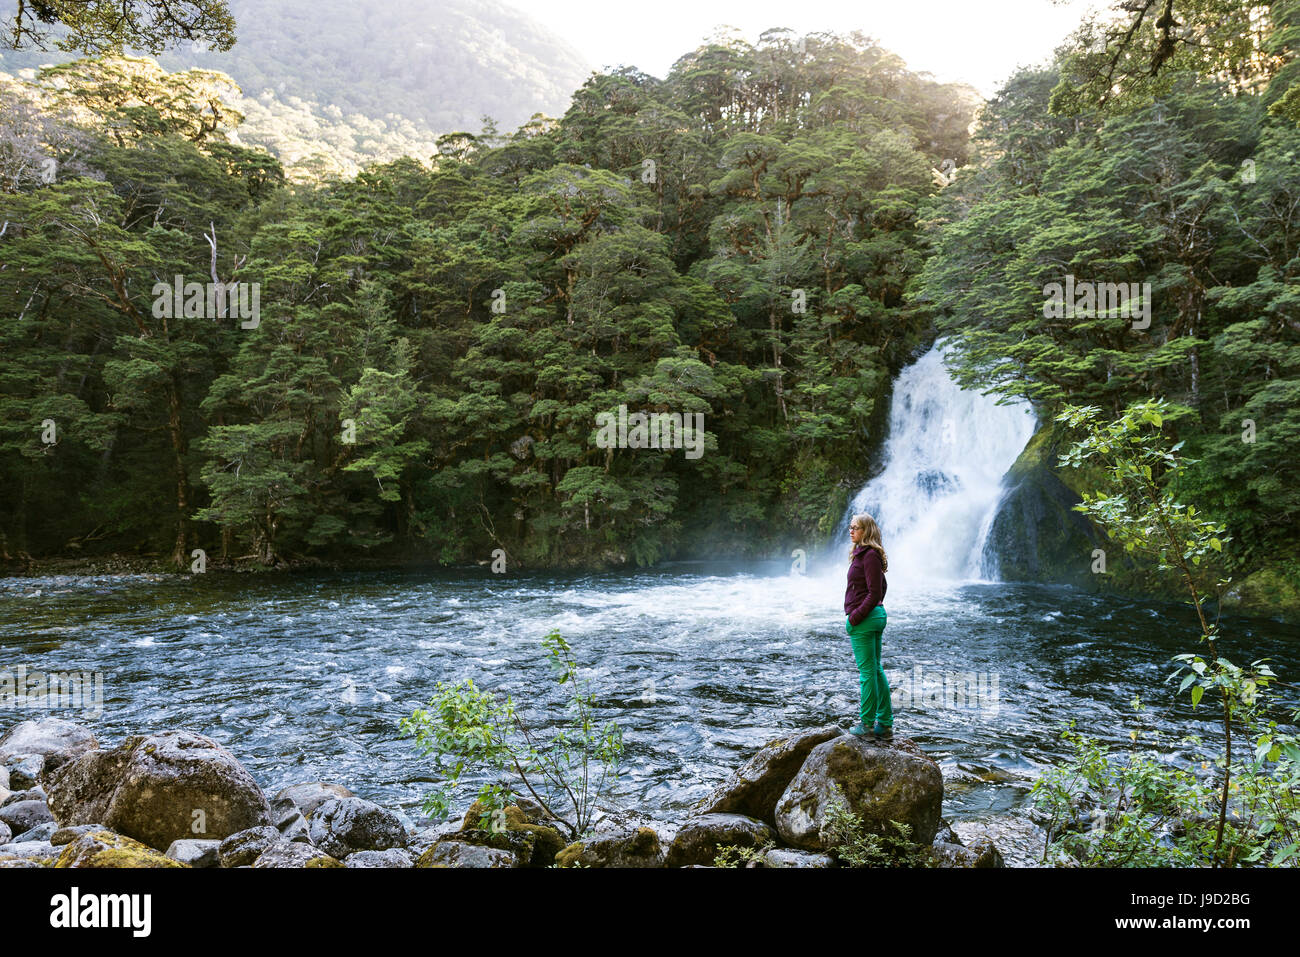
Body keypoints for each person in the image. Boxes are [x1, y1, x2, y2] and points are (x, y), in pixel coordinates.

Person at [844, 513, 892, 741]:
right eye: (850, 527)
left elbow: (876, 591)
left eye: (856, 527)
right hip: (873, 616)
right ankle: (884, 724)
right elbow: (882, 587)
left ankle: (867, 725)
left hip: (865, 619)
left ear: (867, 531)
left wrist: (855, 616)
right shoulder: (866, 554)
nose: (851, 531)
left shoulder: (869, 555)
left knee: (867, 673)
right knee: (875, 669)